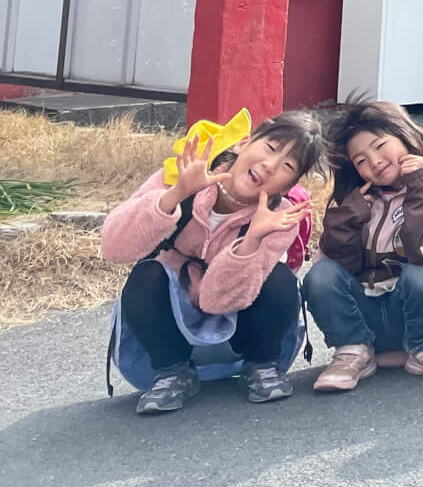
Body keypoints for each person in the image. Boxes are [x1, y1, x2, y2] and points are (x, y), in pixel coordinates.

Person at [102, 111, 323, 413]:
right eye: (270, 148)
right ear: (243, 143)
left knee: (280, 280)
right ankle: (172, 373)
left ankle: (261, 366)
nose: (269, 166)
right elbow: (113, 248)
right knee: (147, 274)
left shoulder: (280, 218)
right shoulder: (183, 173)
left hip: (236, 312)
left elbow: (217, 301)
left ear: (288, 186)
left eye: (287, 166)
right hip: (172, 310)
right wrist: (177, 193)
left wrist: (251, 242)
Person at [307, 96, 423, 390]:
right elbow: (337, 271)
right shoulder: (357, 201)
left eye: (380, 147)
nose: (375, 163)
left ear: (405, 136)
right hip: (366, 318)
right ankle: (353, 351)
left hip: (418, 313)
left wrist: (421, 188)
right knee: (320, 274)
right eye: (361, 161)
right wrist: (346, 220)